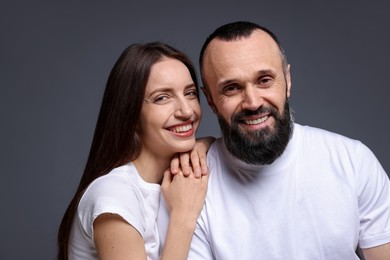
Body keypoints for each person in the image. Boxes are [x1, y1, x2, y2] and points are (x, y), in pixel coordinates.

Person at [183, 21, 390, 259]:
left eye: (264, 80)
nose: (253, 102)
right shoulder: (191, 186)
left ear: (287, 80)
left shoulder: (352, 160)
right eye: (232, 88)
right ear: (210, 100)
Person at [57, 42, 212, 260]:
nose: (187, 111)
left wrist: (204, 143)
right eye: (162, 98)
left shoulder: (178, 177)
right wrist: (182, 218)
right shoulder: (114, 194)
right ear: (131, 115)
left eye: (190, 93)